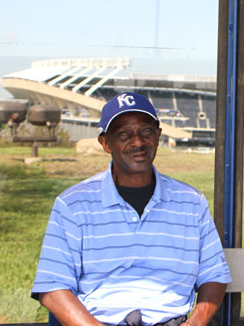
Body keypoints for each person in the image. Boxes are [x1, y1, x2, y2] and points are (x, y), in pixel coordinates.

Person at [32, 92, 231, 326]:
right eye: (124, 134)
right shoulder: (74, 204)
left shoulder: (191, 202)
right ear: (105, 143)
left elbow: (214, 274)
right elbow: (53, 287)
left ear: (158, 136)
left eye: (146, 131)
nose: (137, 142)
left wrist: (195, 323)